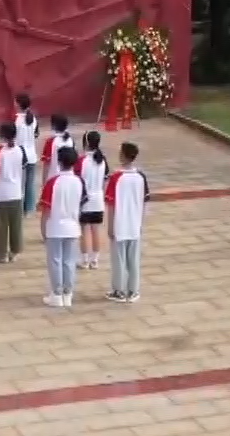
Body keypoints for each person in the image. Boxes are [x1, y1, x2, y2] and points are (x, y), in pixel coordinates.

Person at [105, 142, 150, 302]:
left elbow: (111, 204)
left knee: (119, 260)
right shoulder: (141, 177)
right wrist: (141, 223)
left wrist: (110, 225)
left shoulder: (116, 178)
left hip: (119, 223)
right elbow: (145, 202)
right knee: (133, 259)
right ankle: (133, 290)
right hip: (134, 224)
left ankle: (119, 291)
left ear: (123, 155)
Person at [39, 145, 83, 307]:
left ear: (59, 162)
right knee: (69, 261)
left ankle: (57, 293)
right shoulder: (79, 181)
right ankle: (68, 293)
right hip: (72, 226)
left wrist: (43, 228)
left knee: (55, 261)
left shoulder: (53, 183)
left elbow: (46, 209)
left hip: (55, 226)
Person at [0, 123, 26, 263]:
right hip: (16, 192)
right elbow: (23, 171)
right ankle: (14, 252)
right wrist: (22, 189)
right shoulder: (21, 150)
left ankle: (1, 253)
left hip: (2, 192)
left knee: (1, 225)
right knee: (16, 224)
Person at [76, 131, 109, 271]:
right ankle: (95, 260)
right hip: (98, 199)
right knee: (96, 230)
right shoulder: (102, 160)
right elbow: (106, 180)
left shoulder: (82, 161)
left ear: (86, 143)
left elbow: (77, 180)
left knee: (84, 230)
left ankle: (84, 261)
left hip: (85, 200)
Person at [14, 93, 41, 214]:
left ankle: (19, 208)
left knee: (19, 184)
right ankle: (29, 208)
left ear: (19, 104)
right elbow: (35, 135)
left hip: (20, 156)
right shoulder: (32, 118)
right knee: (29, 184)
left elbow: (15, 139)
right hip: (31, 155)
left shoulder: (18, 120)